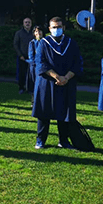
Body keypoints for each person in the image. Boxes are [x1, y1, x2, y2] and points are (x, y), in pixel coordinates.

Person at [31, 17, 83, 150]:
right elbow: (40, 63)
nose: (56, 29)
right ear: (49, 29)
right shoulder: (43, 43)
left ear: (63, 27)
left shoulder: (71, 43)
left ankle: (64, 141)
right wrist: (57, 76)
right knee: (44, 112)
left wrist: (66, 77)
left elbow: (77, 63)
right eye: (54, 27)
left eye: (59, 27)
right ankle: (40, 140)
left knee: (64, 112)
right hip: (47, 83)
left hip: (66, 82)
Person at [13, 18, 35, 94]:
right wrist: (20, 55)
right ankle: (21, 88)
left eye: (29, 22)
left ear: (31, 24)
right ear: (23, 24)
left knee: (31, 74)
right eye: (26, 22)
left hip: (32, 57)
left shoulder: (34, 33)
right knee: (21, 73)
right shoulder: (19, 33)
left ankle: (30, 89)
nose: (27, 24)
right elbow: (15, 45)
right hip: (22, 57)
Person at [27, 26, 44, 106]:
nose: (38, 33)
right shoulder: (32, 43)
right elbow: (31, 56)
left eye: (40, 31)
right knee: (34, 84)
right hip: (34, 67)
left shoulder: (46, 42)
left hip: (44, 67)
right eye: (36, 31)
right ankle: (34, 102)